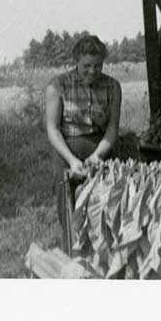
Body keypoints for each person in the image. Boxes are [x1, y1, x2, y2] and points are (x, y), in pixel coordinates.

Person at [44, 35, 122, 240]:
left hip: (100, 147)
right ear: (76, 61)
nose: (93, 71)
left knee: (106, 200)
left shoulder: (112, 86)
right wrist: (71, 161)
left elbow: (112, 129)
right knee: (68, 203)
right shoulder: (58, 86)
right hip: (66, 148)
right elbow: (53, 130)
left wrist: (98, 156)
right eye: (86, 65)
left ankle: (103, 247)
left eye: (98, 66)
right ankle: (72, 247)